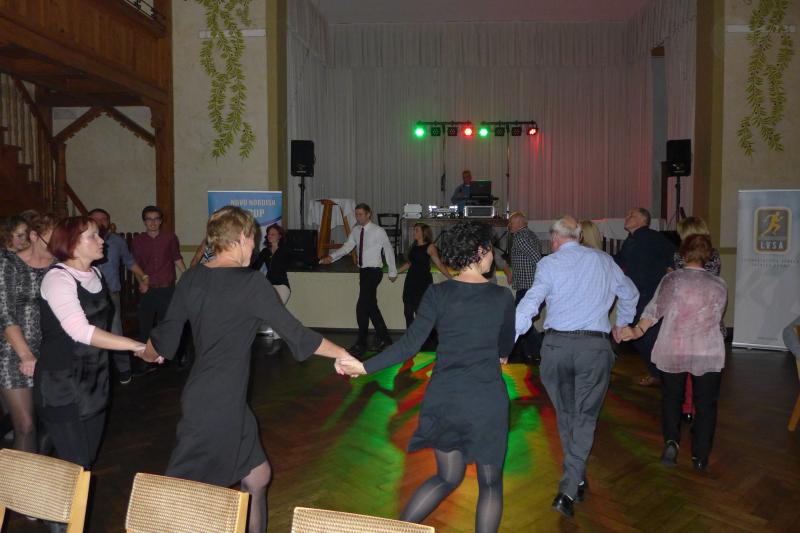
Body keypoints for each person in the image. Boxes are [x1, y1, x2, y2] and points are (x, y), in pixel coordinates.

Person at [141, 206, 355, 533]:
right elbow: (296, 334)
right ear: (241, 237)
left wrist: (146, 351)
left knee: (258, 476)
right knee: (185, 494)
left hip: (214, 396)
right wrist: (341, 353)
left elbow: (162, 342)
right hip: (219, 404)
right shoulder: (251, 282)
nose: (254, 247)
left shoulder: (192, 277)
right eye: (253, 239)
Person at [338, 222, 515, 533]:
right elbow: (504, 348)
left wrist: (364, 367)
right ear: (480, 251)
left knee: (447, 477)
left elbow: (408, 345)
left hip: (444, 400)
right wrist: (498, 353)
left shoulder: (437, 293)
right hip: (485, 401)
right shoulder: (501, 297)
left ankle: (398, 531)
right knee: (490, 484)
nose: (494, 257)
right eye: (491, 250)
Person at [515, 216, 638, 519]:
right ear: (579, 237)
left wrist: (506, 343)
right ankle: (572, 484)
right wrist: (622, 324)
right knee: (584, 417)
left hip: (556, 349)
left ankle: (573, 482)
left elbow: (531, 301)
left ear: (555, 239)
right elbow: (630, 294)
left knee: (567, 415)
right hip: (593, 349)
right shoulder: (604, 261)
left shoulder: (549, 264)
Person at [37, 216, 145, 469]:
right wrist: (135, 345)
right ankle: (40, 490)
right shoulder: (58, 279)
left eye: (99, 234)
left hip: (95, 379)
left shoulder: (95, 273)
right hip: (62, 381)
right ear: (72, 243)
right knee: (77, 462)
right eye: (93, 236)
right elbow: (80, 331)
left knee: (88, 459)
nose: (101, 241)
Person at [619, 234, 727, 472]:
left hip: (674, 347)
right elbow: (716, 317)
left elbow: (654, 310)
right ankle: (700, 456)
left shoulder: (673, 280)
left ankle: (671, 442)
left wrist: (637, 331)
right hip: (707, 350)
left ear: (683, 254)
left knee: (672, 398)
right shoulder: (719, 285)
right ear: (708, 256)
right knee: (706, 404)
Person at [0, 212, 58, 453]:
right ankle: (20, 478)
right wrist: (25, 355)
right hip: (14, 351)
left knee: (51, 424)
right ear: (35, 236)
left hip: (51, 349)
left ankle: (38, 470)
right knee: (25, 426)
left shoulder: (58, 265)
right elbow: (5, 314)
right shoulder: (9, 262)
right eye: (53, 238)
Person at [320, 203, 397, 356]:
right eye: (356, 214)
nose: (358, 217)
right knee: (371, 307)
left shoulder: (378, 231)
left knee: (362, 307)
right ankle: (386, 340)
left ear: (369, 214)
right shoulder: (356, 230)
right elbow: (347, 247)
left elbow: (388, 249)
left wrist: (392, 270)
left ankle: (361, 343)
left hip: (374, 272)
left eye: (361, 214)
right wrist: (332, 257)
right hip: (363, 272)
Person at [614, 207, 675, 386]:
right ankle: (658, 373)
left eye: (632, 215)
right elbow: (620, 261)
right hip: (636, 294)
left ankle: (662, 374)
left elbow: (674, 255)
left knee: (647, 337)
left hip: (650, 294)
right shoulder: (630, 240)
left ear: (643, 220)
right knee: (639, 337)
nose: (627, 217)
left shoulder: (653, 237)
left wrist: (670, 272)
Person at [671, 216, 723, 423]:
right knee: (702, 369)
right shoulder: (714, 255)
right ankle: (696, 408)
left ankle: (686, 407)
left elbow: (681, 284)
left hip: (685, 319)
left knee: (683, 367)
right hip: (707, 319)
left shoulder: (680, 256)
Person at [88, 208, 149, 385]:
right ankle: (96, 373)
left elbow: (130, 261)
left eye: (104, 219)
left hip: (111, 294)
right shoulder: (80, 240)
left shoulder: (117, 241)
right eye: (96, 219)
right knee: (89, 333)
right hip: (87, 296)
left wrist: (143, 277)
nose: (100, 222)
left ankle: (124, 369)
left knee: (115, 331)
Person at [131, 205, 186, 359]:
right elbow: (135, 265)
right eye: (149, 219)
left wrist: (187, 276)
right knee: (145, 326)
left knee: (168, 325)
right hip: (148, 289)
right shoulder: (138, 241)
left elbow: (176, 258)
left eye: (156, 219)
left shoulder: (170, 237)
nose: (153, 222)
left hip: (167, 289)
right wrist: (141, 282)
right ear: (144, 221)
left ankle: (169, 358)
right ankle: (145, 358)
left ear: (161, 221)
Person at [502, 212, 543, 363]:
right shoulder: (530, 234)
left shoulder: (520, 237)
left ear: (519, 223)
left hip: (527, 286)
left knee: (518, 319)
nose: (509, 225)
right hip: (530, 285)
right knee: (521, 319)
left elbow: (537, 258)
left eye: (511, 223)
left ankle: (539, 350)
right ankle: (530, 354)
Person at [397, 222, 451, 328]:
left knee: (420, 312)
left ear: (423, 233)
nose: (414, 232)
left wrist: (450, 277)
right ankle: (411, 336)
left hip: (423, 282)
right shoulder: (414, 246)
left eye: (416, 230)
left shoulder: (430, 247)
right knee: (407, 312)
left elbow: (439, 264)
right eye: (414, 230)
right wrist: (395, 272)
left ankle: (425, 335)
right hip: (411, 281)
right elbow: (409, 263)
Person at [251, 224, 291, 338]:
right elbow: (255, 267)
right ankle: (278, 336)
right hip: (269, 286)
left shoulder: (285, 250)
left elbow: (299, 258)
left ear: (279, 236)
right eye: (268, 234)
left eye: (273, 234)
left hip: (282, 286)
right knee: (268, 311)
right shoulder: (265, 252)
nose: (270, 236)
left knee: (277, 310)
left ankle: (281, 335)